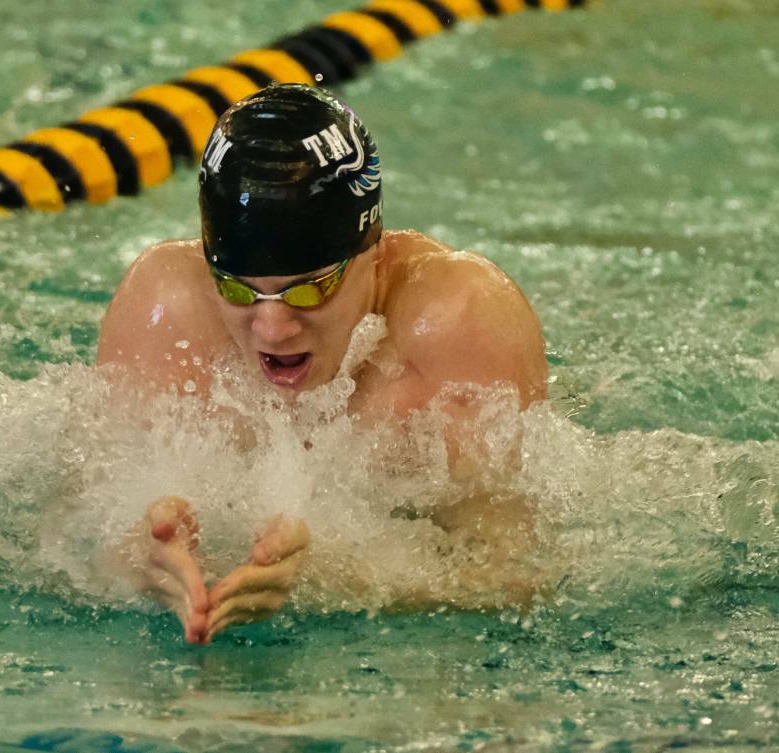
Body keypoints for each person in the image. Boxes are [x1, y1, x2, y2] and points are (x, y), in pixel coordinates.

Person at [96, 84, 548, 644]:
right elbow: (63, 530)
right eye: (237, 290)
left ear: (374, 252)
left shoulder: (457, 322)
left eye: (309, 291)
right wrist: (136, 563)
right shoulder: (164, 311)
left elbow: (518, 572)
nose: (272, 329)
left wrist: (335, 578)